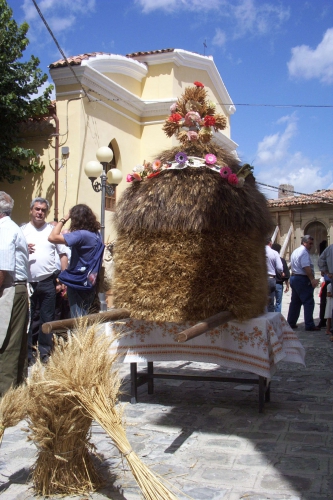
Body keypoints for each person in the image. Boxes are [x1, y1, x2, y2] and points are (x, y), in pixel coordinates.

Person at [22, 198, 68, 363]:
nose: (40, 212)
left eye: (43, 210)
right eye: (37, 209)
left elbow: (63, 255)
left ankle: (44, 353)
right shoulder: (22, 231)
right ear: (31, 210)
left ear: (46, 213)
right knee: (26, 320)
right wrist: (23, 249)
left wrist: (63, 278)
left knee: (46, 318)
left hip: (47, 282)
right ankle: (27, 354)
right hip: (27, 283)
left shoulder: (52, 231)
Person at [48, 204, 104, 317]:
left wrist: (64, 218)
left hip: (78, 281)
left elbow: (52, 237)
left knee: (77, 319)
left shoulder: (81, 235)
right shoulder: (96, 235)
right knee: (85, 317)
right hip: (90, 282)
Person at [0, 192, 29, 396]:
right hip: (14, 287)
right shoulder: (11, 228)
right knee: (14, 342)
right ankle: (15, 392)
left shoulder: (4, 230)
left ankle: (6, 397)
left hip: (9, 288)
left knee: (7, 343)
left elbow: (2, 269)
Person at [287, 235, 319, 331]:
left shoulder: (295, 251)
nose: (311, 245)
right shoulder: (304, 252)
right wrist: (312, 279)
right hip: (302, 279)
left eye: (312, 243)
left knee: (295, 302)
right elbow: (306, 267)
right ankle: (309, 324)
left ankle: (291, 322)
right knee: (308, 301)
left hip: (294, 277)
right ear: (304, 243)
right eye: (310, 243)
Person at [265, 237, 283, 312]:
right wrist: (281, 273)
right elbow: (280, 267)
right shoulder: (274, 253)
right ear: (270, 243)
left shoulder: (257, 252)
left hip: (259, 279)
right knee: (270, 303)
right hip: (270, 278)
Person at [271, 243, 290, 313]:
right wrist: (287, 285)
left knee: (270, 302)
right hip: (279, 284)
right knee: (278, 303)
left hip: (270, 282)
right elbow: (286, 275)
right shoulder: (282, 260)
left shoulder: (269, 260)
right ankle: (277, 318)